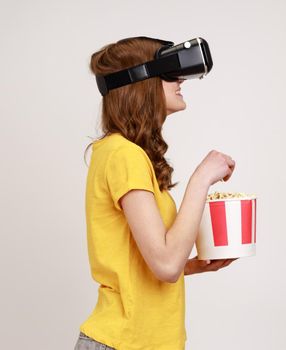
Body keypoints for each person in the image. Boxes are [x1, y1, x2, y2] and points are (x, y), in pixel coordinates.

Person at [74, 36, 237, 350]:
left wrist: (189, 264)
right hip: (125, 342)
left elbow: (150, 262)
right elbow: (164, 265)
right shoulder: (123, 154)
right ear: (141, 84)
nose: (179, 81)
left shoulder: (120, 152)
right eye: (168, 73)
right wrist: (201, 179)